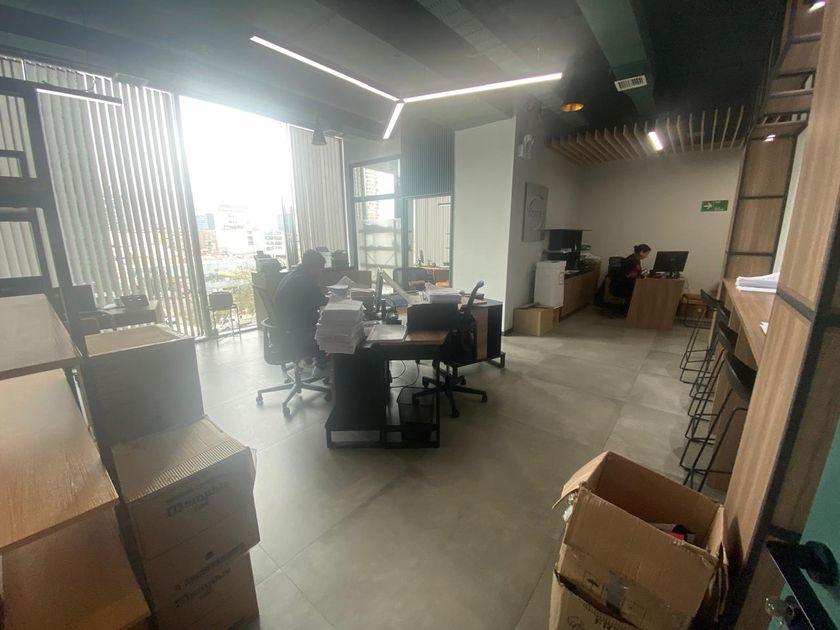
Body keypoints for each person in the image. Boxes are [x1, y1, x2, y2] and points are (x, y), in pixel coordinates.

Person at [273, 249, 329, 376]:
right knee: (330, 329)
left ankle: (314, 360)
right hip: (297, 333)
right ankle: (321, 366)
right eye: (320, 269)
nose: (321, 272)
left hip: (287, 329)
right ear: (313, 268)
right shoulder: (306, 280)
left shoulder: (293, 275)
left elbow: (312, 301)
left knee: (319, 320)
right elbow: (321, 301)